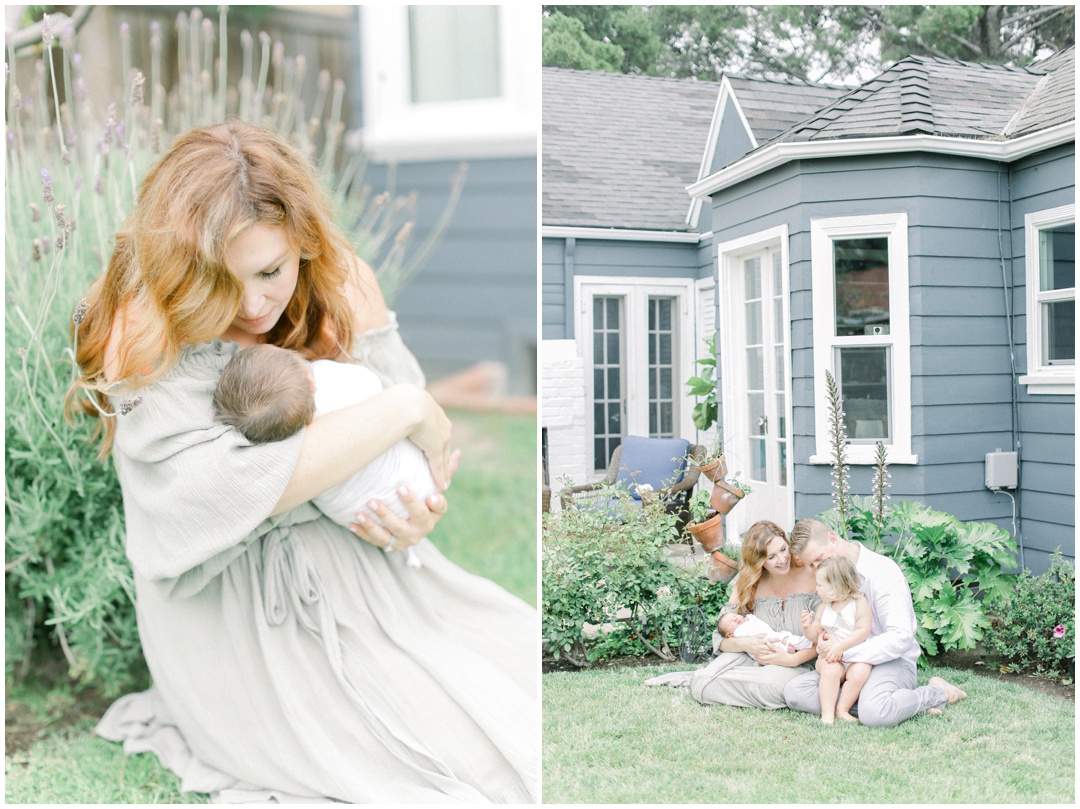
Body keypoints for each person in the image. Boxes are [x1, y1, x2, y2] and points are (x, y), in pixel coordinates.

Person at [68, 121, 536, 803]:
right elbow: (216, 491)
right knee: (458, 766)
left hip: (373, 585)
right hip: (240, 633)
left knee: (514, 681)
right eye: (223, 283)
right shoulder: (146, 341)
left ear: (300, 245)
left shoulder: (333, 288)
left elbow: (412, 449)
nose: (256, 305)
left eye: (271, 272)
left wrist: (408, 505)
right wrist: (403, 408)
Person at [212, 343, 434, 570]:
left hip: (361, 518)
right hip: (415, 487)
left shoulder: (284, 446)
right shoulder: (329, 379)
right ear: (309, 381)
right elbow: (372, 386)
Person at [784, 517, 967, 728]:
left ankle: (937, 692)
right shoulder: (829, 575)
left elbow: (900, 638)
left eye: (818, 559)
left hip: (889, 661)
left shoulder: (882, 571)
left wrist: (842, 651)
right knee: (796, 693)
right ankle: (884, 702)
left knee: (875, 714)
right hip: (843, 664)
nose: (817, 568)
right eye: (812, 565)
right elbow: (828, 626)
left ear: (832, 538)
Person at [646, 520, 820, 709]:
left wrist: (792, 659)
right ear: (758, 560)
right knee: (703, 682)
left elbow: (829, 637)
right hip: (750, 656)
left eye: (783, 549)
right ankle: (717, 681)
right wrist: (747, 643)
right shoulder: (749, 582)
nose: (782, 559)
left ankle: (733, 683)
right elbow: (720, 637)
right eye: (771, 557)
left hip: (797, 662)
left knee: (771, 687)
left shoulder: (812, 573)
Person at [801, 556, 873, 724]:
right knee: (831, 671)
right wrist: (807, 628)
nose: (816, 588)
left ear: (834, 587)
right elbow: (816, 635)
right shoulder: (823, 608)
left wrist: (841, 646)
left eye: (820, 585)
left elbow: (863, 630)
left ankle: (842, 708)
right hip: (829, 659)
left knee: (861, 671)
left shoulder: (858, 603)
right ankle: (827, 713)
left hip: (854, 657)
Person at [717, 611, 812, 655]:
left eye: (735, 616)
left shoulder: (748, 620)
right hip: (762, 644)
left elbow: (753, 619)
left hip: (771, 634)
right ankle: (793, 648)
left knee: (785, 638)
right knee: (777, 645)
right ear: (729, 634)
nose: (735, 619)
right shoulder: (737, 633)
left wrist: (748, 618)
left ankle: (802, 644)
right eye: (730, 622)